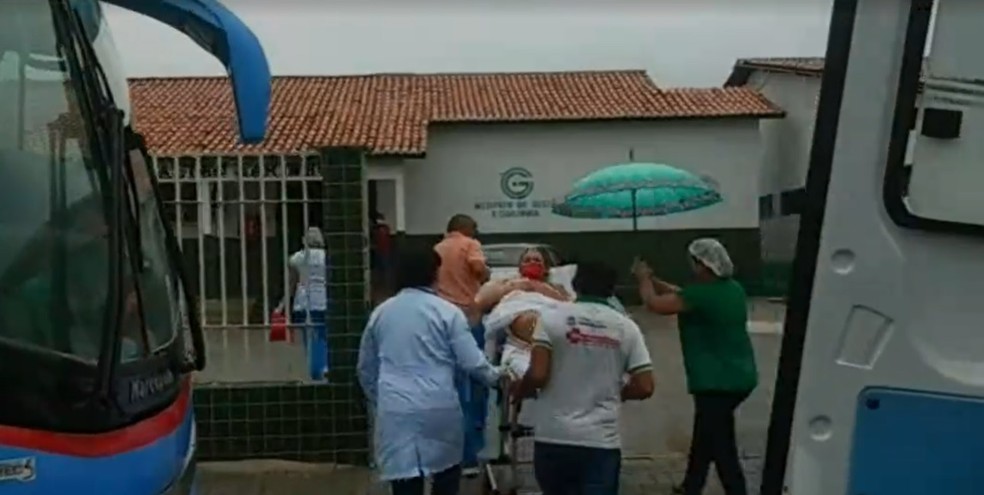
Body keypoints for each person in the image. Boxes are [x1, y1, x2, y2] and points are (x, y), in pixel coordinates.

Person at [357, 247, 505, 495]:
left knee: (404, 480)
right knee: (445, 476)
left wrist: (382, 398)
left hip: (396, 409)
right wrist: (500, 376)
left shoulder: (381, 313)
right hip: (439, 405)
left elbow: (365, 368)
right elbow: (473, 364)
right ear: (436, 274)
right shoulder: (447, 312)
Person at [514, 260, 655, 495]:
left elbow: (538, 374)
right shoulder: (626, 327)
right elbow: (645, 386)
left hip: (554, 437)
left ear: (576, 285)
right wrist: (617, 392)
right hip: (600, 441)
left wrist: (520, 391)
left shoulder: (550, 319)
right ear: (612, 290)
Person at [631, 238, 758, 495]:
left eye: (694, 261)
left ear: (704, 265)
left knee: (722, 446)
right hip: (738, 376)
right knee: (706, 436)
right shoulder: (732, 288)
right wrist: (656, 281)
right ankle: (692, 485)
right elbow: (681, 293)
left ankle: (737, 490)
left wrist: (643, 279)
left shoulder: (701, 295)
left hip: (717, 381)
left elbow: (655, 305)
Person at [433, 213, 491, 476]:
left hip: (440, 320)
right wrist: (486, 275)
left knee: (450, 384)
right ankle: (471, 450)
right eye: (474, 228)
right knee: (476, 380)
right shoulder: (469, 244)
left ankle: (447, 453)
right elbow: (478, 269)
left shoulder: (436, 249)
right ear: (464, 228)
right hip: (468, 318)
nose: (476, 232)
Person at [284, 226, 330, 381]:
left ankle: (315, 369)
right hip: (323, 300)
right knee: (324, 335)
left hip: (303, 302)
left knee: (309, 338)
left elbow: (292, 283)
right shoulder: (327, 258)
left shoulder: (298, 258)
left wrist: (284, 304)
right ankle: (325, 366)